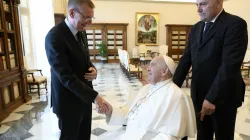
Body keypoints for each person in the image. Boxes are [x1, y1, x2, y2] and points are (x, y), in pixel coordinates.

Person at [173, 0, 248, 140]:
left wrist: (212, 98)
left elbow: (229, 65)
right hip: (199, 94)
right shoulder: (196, 28)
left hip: (223, 96)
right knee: (202, 135)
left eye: (203, 4)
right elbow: (185, 60)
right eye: (197, 4)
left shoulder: (235, 24)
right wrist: (170, 89)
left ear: (219, 3)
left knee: (223, 136)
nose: (198, 9)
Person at [45, 0, 108, 139]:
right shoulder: (54, 37)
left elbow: (85, 59)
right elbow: (66, 76)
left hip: (84, 97)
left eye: (92, 18)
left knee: (84, 136)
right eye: (87, 17)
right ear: (72, 12)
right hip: (68, 102)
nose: (90, 22)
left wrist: (93, 69)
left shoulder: (81, 32)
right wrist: (95, 97)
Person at [99, 56, 196, 140]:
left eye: (153, 65)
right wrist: (111, 112)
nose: (147, 68)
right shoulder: (145, 89)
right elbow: (132, 115)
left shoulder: (177, 96)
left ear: (164, 71)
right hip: (129, 135)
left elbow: (171, 135)